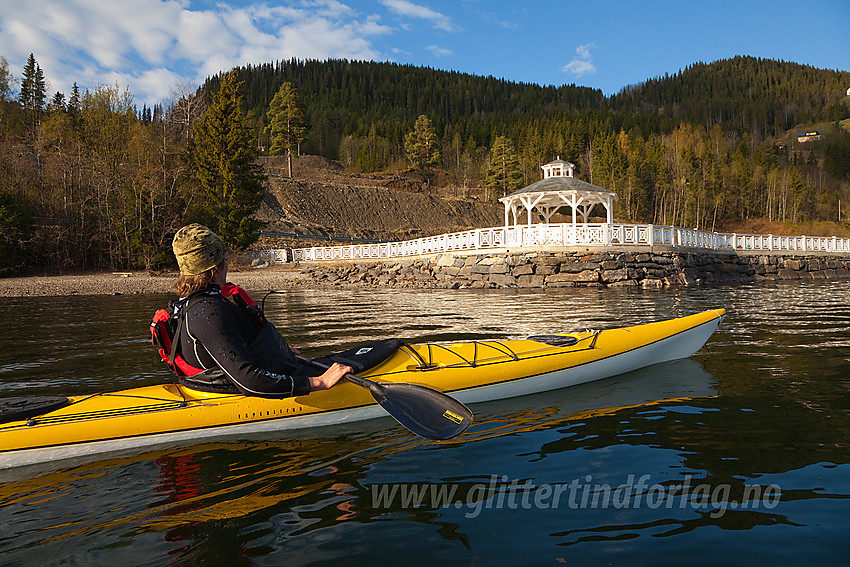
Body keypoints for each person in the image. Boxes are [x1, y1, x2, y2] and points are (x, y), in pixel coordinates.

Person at [169, 223, 350, 397]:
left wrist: (272, 350)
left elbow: (225, 347)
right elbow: (249, 381)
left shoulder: (190, 304)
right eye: (225, 257)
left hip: (229, 380)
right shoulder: (207, 312)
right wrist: (320, 382)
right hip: (237, 392)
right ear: (217, 267)